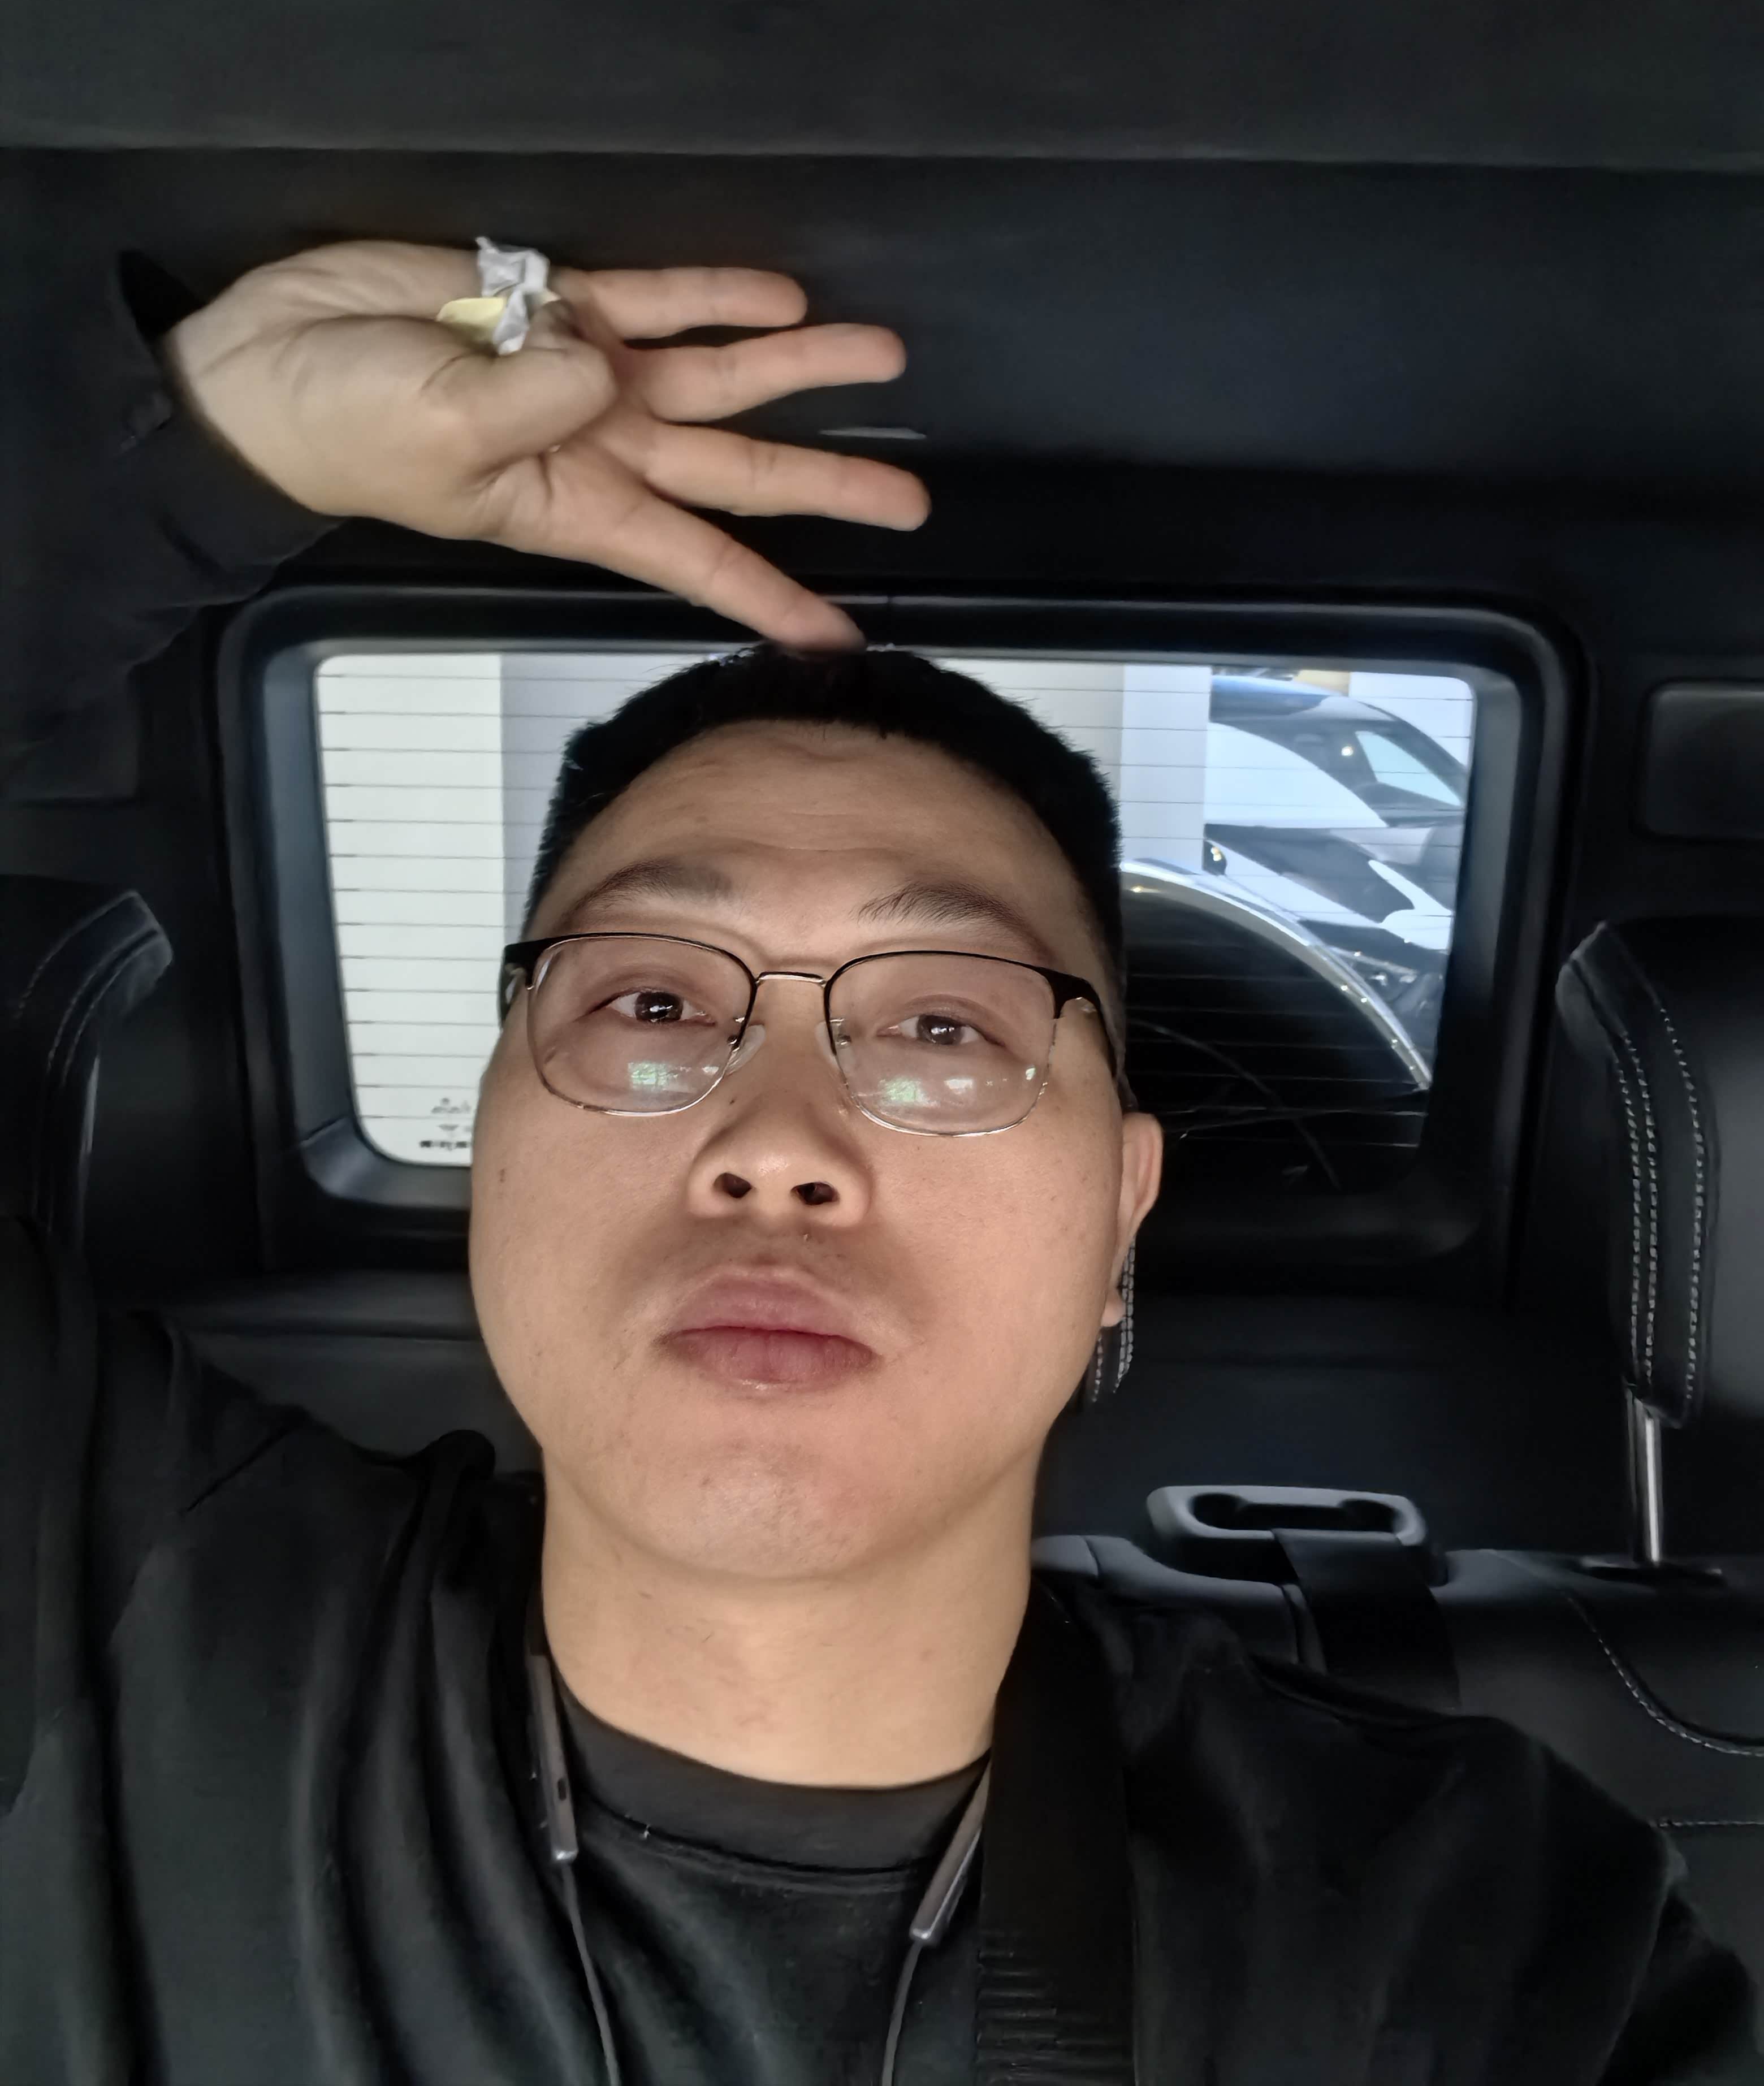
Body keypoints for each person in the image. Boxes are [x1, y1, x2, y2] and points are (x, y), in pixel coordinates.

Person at [1, 239, 1757, 2085]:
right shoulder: (109, 1603)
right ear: (497, 1129)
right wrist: (193, 451)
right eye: (655, 1004)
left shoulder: (1477, 1931)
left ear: (1119, 1218)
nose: (777, 1146)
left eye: (942, 1030)